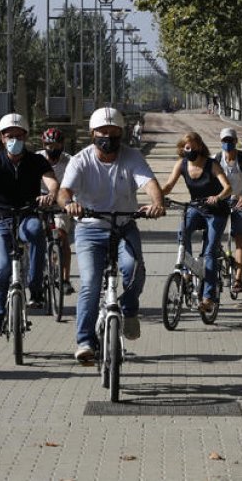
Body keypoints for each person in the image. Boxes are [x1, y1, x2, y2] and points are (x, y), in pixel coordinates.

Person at [59, 107, 166, 362]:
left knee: (133, 269)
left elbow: (150, 184)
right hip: (90, 229)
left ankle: (129, 311)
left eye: (114, 133)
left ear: (122, 134)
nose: (108, 138)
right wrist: (69, 204)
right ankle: (85, 341)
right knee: (90, 283)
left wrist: (157, 204)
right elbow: (64, 191)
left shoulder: (132, 157)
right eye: (102, 133)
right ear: (92, 134)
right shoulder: (80, 160)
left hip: (124, 225)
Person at [0, 113, 58, 337]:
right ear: (1, 137)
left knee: (36, 231)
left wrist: (50, 195)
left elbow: (51, 182)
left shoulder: (37, 161)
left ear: (26, 137)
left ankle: (35, 288)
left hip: (27, 215)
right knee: (2, 267)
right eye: (10, 136)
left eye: (19, 136)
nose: (14, 140)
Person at [160, 131, 233, 312]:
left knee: (209, 252)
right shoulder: (182, 164)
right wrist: (157, 196)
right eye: (186, 146)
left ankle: (208, 297)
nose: (190, 149)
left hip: (216, 211)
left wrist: (218, 197)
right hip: (195, 207)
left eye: (193, 146)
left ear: (199, 146)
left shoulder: (212, 164)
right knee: (182, 232)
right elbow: (168, 186)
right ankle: (186, 270)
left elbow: (228, 188)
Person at [216, 127, 242, 296]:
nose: (228, 144)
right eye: (224, 141)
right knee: (213, 235)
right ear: (221, 142)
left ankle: (238, 278)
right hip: (222, 200)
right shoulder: (216, 159)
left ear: (236, 141)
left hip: (241, 200)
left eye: (230, 141)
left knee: (239, 238)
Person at [38, 127, 75, 295]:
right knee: (34, 236)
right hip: (38, 202)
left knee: (61, 236)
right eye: (48, 144)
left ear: (62, 144)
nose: (52, 148)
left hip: (60, 204)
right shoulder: (36, 159)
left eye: (56, 144)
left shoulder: (70, 161)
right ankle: (36, 274)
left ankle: (65, 278)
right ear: (43, 144)